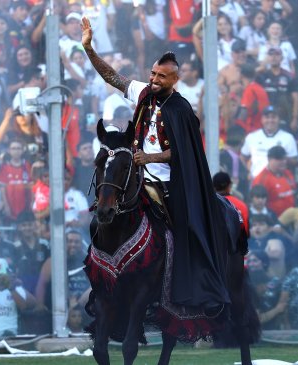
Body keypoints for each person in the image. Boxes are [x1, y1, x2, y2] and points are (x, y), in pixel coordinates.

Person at [82, 17, 230, 312]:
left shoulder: (182, 110)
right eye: (152, 73)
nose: (154, 80)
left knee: (184, 230)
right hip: (134, 178)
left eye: (161, 76)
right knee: (102, 212)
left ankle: (186, 292)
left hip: (167, 182)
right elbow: (111, 77)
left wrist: (149, 158)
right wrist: (88, 48)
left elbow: (184, 153)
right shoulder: (143, 93)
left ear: (174, 79)